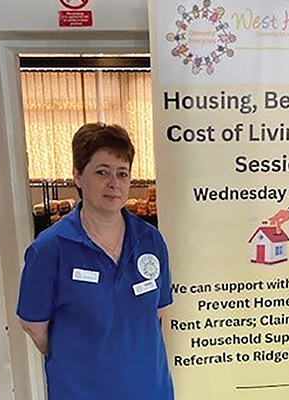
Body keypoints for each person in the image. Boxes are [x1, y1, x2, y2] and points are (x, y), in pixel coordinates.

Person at [16, 123, 174, 400]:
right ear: (78, 176)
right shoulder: (50, 249)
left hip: (150, 390)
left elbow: (159, 312)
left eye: (122, 173)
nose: (114, 183)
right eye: (102, 172)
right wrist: (84, 359)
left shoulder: (150, 240)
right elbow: (35, 326)